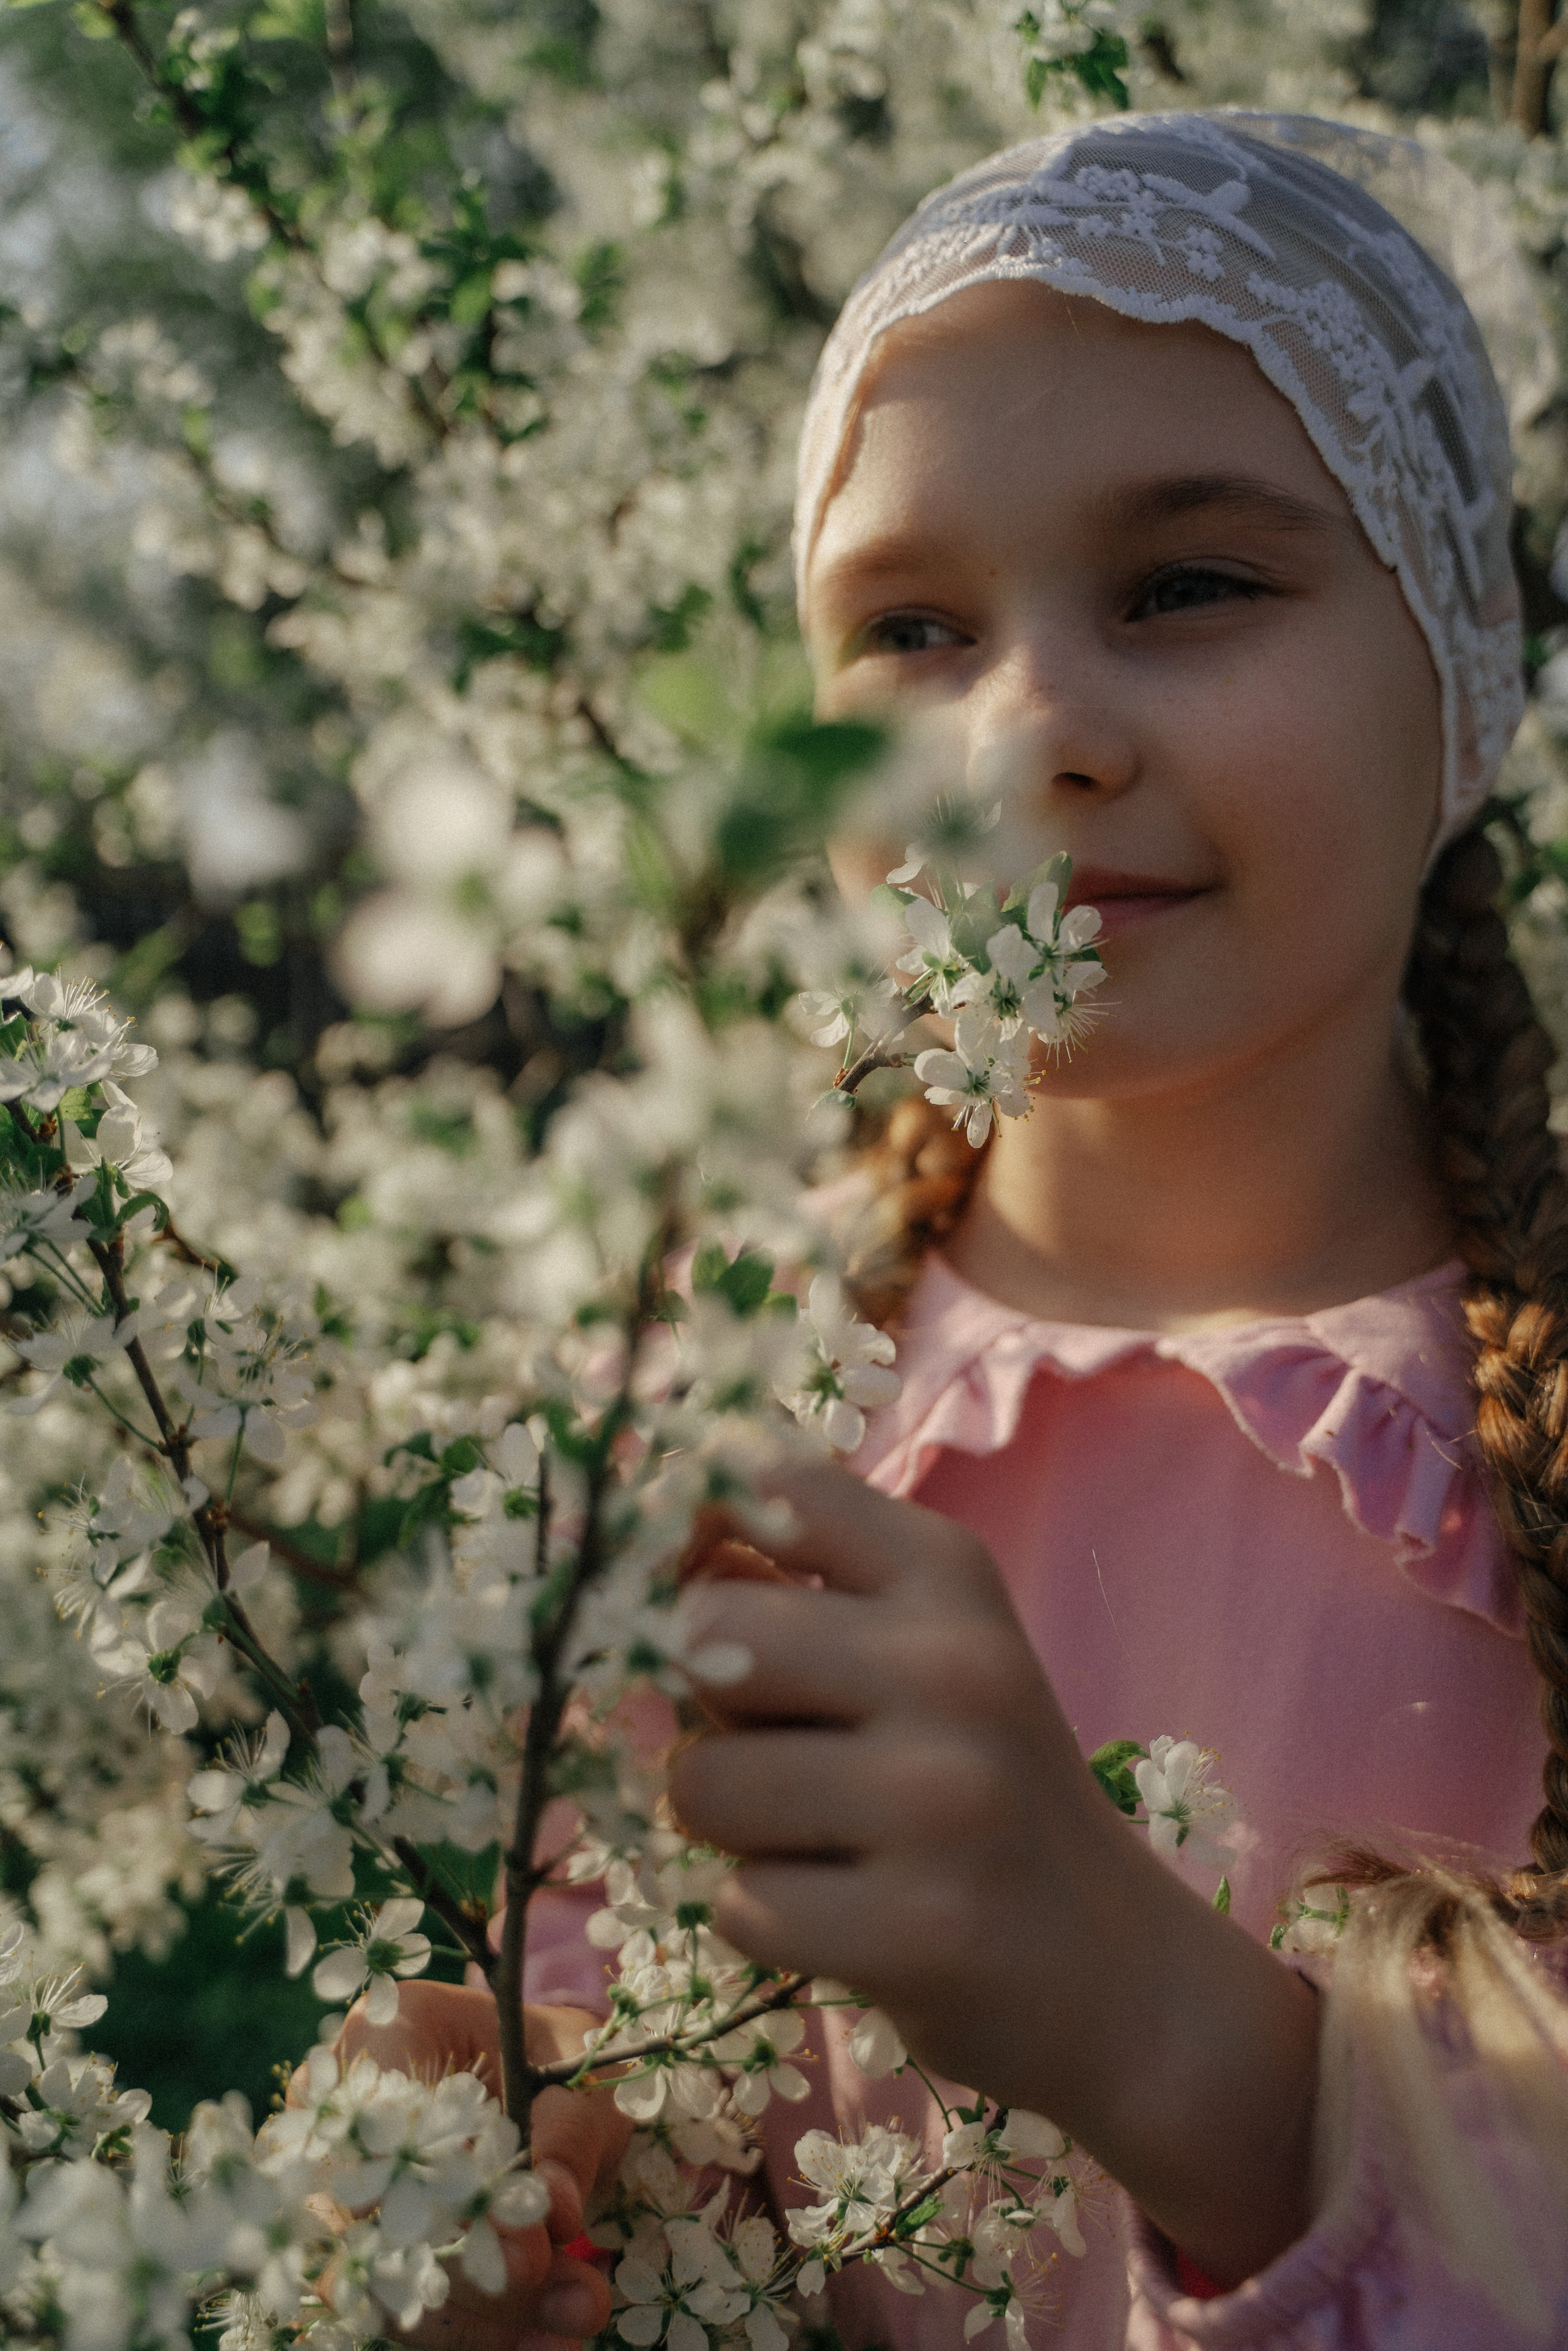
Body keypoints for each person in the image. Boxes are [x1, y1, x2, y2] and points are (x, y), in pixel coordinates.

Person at [349, 112, 1568, 2347]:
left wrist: (1162, 2032)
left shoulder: (1527, 1428)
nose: (1026, 742)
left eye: (1191, 584)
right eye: (909, 628)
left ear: (1468, 666)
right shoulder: (699, 1422)